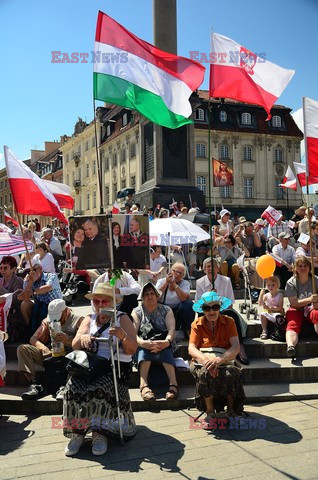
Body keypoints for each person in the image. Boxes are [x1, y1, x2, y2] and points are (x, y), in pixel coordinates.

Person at [63, 283, 137, 457]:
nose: (101, 304)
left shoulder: (123, 318)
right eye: (97, 301)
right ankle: (78, 432)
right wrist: (83, 337)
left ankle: (99, 433)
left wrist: (122, 336)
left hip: (115, 366)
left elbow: (132, 349)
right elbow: (74, 345)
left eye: (105, 301)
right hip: (91, 366)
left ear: (112, 302)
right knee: (72, 386)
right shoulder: (89, 318)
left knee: (101, 387)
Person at [188, 291, 246, 428]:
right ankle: (209, 411)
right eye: (207, 308)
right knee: (204, 373)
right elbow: (191, 348)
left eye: (215, 307)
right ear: (203, 310)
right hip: (202, 360)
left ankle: (231, 410)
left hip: (225, 359)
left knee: (231, 373)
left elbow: (236, 347)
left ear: (220, 307)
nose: (211, 311)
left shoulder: (229, 321)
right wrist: (206, 361)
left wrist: (219, 360)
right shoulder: (196, 324)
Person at [18, 299, 83, 400]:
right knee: (23, 349)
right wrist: (43, 347)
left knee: (79, 356)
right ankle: (34, 384)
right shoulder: (47, 321)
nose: (56, 320)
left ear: (66, 311)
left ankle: (65, 386)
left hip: (69, 356)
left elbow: (82, 345)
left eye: (59, 316)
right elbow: (33, 339)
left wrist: (68, 341)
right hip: (52, 354)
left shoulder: (78, 321)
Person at [195, 257, 249, 365]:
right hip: (207, 311)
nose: (211, 269)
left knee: (232, 314)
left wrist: (218, 302)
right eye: (208, 266)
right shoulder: (200, 282)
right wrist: (209, 298)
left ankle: (240, 347)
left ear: (218, 268)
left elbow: (230, 303)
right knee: (202, 315)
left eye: (213, 266)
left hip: (223, 310)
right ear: (204, 269)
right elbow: (198, 304)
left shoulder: (226, 280)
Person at [132, 282, 177, 401]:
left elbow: (171, 329)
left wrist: (166, 342)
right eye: (146, 294)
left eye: (152, 293)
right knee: (144, 349)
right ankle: (143, 385)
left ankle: (173, 385)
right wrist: (143, 343)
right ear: (142, 297)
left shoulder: (166, 309)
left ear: (157, 296)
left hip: (164, 341)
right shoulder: (137, 311)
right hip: (143, 343)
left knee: (165, 349)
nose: (149, 296)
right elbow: (133, 333)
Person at [18, 258, 63, 334]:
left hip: (55, 307)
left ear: (40, 269)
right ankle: (31, 329)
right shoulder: (28, 280)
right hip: (39, 307)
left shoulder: (51, 276)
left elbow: (48, 287)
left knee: (49, 308)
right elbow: (26, 298)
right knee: (24, 305)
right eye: (28, 271)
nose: (30, 273)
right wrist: (30, 282)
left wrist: (32, 291)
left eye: (33, 270)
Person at [285, 256, 318, 357]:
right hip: (296, 309)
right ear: (295, 268)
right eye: (300, 266)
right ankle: (291, 346)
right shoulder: (291, 282)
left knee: (317, 315)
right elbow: (294, 303)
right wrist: (309, 299)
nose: (303, 268)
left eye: (305, 266)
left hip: (311, 308)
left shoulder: (315, 280)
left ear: (309, 267)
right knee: (292, 323)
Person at [156, 263, 194, 336]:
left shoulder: (185, 283)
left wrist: (174, 284)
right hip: (164, 310)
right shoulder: (161, 281)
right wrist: (167, 283)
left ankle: (187, 330)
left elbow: (184, 298)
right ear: (170, 271)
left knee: (188, 304)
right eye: (175, 271)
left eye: (181, 273)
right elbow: (156, 297)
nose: (177, 274)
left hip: (177, 311)